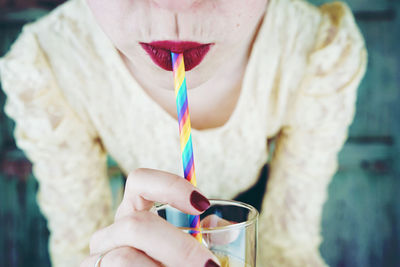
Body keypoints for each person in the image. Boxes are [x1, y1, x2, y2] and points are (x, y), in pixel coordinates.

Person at [0, 0, 367, 266]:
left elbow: (290, 248)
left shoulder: (318, 51)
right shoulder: (50, 65)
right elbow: (79, 246)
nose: (174, 5)